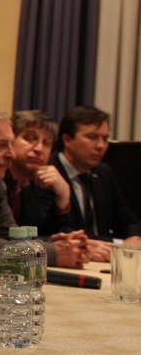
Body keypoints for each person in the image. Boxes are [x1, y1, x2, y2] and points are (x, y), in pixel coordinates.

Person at [0, 104, 84, 268]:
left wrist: (54, 246)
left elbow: (10, 235)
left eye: (11, 144)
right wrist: (51, 253)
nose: (11, 153)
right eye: (2, 144)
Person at [50, 105, 141, 260]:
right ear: (67, 140)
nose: (101, 146)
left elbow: (128, 221)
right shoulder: (48, 173)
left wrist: (134, 239)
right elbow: (56, 231)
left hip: (103, 261)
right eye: (92, 137)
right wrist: (118, 244)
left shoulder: (103, 172)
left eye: (105, 139)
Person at [4, 110, 71, 236]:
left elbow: (39, 235)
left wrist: (63, 196)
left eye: (46, 143)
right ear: (11, 140)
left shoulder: (31, 184)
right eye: (30, 139)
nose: (39, 149)